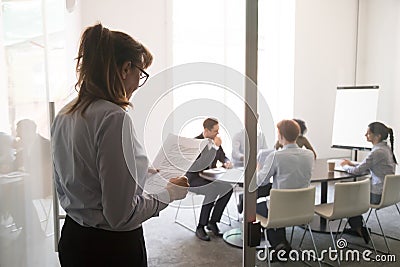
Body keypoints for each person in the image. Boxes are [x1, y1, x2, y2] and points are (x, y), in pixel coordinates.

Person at [51, 23, 189, 267]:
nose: (138, 83)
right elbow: (121, 216)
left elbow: (79, 177)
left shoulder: (64, 115)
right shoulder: (114, 118)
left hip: (73, 238)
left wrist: (141, 173)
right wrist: (170, 193)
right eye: (141, 74)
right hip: (110, 250)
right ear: (126, 68)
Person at [257, 119, 314, 254]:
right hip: (303, 209)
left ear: (281, 136)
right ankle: (281, 242)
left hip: (280, 209)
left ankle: (278, 244)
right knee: (277, 204)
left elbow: (260, 181)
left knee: (253, 208)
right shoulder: (309, 155)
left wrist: (259, 168)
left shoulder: (276, 156)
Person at [340, 121, 397, 244]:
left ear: (378, 136)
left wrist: (345, 166)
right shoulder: (386, 149)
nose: (365, 135)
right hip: (388, 194)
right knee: (352, 195)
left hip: (377, 195)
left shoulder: (377, 152)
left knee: (347, 199)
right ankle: (357, 226)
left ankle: (359, 229)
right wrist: (352, 163)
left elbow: (356, 171)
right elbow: (367, 165)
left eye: (368, 133)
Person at [186, 118, 234, 241]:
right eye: (215, 131)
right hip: (193, 180)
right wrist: (215, 148)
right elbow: (200, 164)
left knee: (228, 189)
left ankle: (212, 222)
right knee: (211, 191)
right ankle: (200, 226)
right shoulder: (195, 143)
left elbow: (223, 156)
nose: (217, 134)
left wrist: (227, 162)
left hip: (209, 179)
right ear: (206, 131)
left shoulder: (215, 141)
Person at [14, 119, 52, 198]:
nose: (17, 136)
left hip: (42, 189)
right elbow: (15, 165)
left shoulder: (46, 145)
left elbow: (46, 171)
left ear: (28, 132)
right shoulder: (23, 147)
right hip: (28, 185)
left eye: (19, 133)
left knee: (13, 194)